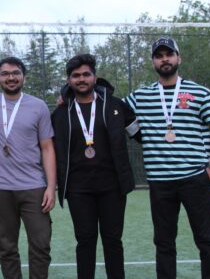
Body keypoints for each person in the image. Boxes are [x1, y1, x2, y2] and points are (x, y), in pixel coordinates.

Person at [125, 37, 210, 279]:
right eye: (159, 56)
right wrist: (69, 96)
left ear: (178, 58)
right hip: (160, 182)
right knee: (164, 242)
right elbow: (114, 111)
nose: (165, 59)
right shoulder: (140, 96)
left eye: (169, 54)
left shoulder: (199, 92)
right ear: (153, 62)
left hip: (195, 178)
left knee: (206, 240)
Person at [52, 54, 140, 279]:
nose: (81, 79)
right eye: (76, 76)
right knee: (85, 241)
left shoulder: (115, 106)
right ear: (69, 80)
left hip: (113, 187)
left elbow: (140, 134)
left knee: (113, 241)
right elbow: (47, 148)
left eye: (86, 74)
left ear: (95, 76)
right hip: (78, 189)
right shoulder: (61, 113)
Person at [0, 56, 56, 279]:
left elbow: (47, 148)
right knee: (6, 248)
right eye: (5, 74)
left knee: (41, 244)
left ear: (24, 76)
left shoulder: (38, 106)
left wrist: (51, 187)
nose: (11, 77)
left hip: (33, 187)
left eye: (16, 73)